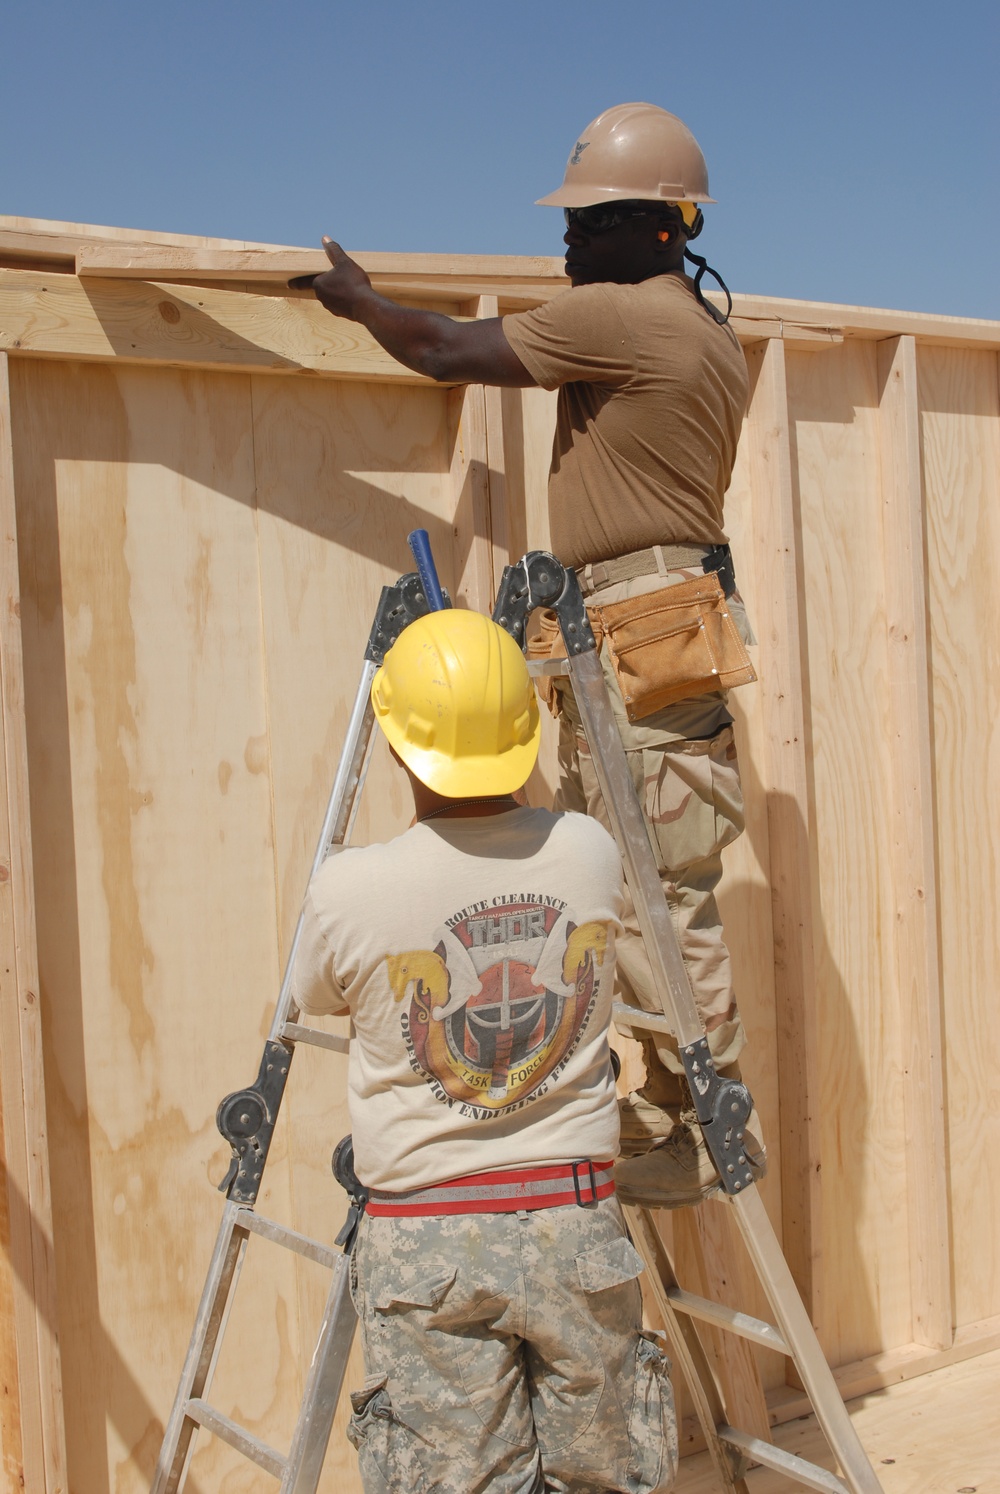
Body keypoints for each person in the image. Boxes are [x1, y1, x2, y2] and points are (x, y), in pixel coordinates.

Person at [296, 102, 764, 1207]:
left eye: (589, 221)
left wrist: (362, 303)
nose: (566, 241)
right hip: (645, 620)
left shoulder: (626, 315)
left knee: (662, 892)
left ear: (658, 227)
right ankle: (664, 1115)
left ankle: (703, 1120)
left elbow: (444, 348)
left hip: (637, 622)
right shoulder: (698, 326)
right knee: (643, 879)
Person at [291, 607, 677, 1494]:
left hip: (427, 1246)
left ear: (395, 745)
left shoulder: (349, 889)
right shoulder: (587, 852)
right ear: (524, 734)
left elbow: (316, 993)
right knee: (608, 1481)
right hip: (577, 1229)